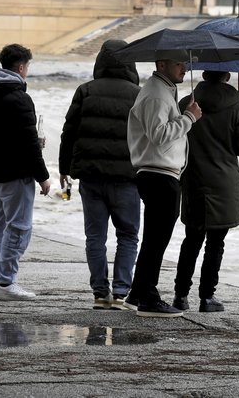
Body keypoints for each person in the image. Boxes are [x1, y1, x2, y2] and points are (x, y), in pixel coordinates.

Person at [58, 40, 141, 311]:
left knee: (95, 237)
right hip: (127, 178)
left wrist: (64, 168)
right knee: (127, 235)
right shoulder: (138, 94)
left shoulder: (85, 91)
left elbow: (68, 132)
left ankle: (99, 294)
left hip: (91, 178)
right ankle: (120, 293)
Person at [125, 50, 202, 318]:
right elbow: (158, 135)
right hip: (158, 174)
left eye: (185, 62)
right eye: (179, 63)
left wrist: (183, 115)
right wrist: (189, 118)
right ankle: (148, 296)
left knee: (154, 238)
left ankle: (138, 292)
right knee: (157, 240)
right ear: (161, 64)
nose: (185, 67)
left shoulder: (162, 90)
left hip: (160, 173)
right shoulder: (157, 93)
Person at [171, 71, 239, 313]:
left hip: (194, 179)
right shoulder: (236, 107)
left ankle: (180, 296)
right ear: (228, 75)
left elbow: (175, 138)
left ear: (204, 74)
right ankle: (207, 298)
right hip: (224, 183)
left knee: (192, 240)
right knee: (216, 244)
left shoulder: (187, 103)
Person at [0, 44, 51, 301]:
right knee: (19, 227)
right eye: (28, 67)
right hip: (16, 171)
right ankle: (6, 283)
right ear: (21, 67)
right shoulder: (19, 98)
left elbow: (2, 134)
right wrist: (43, 176)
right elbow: (28, 142)